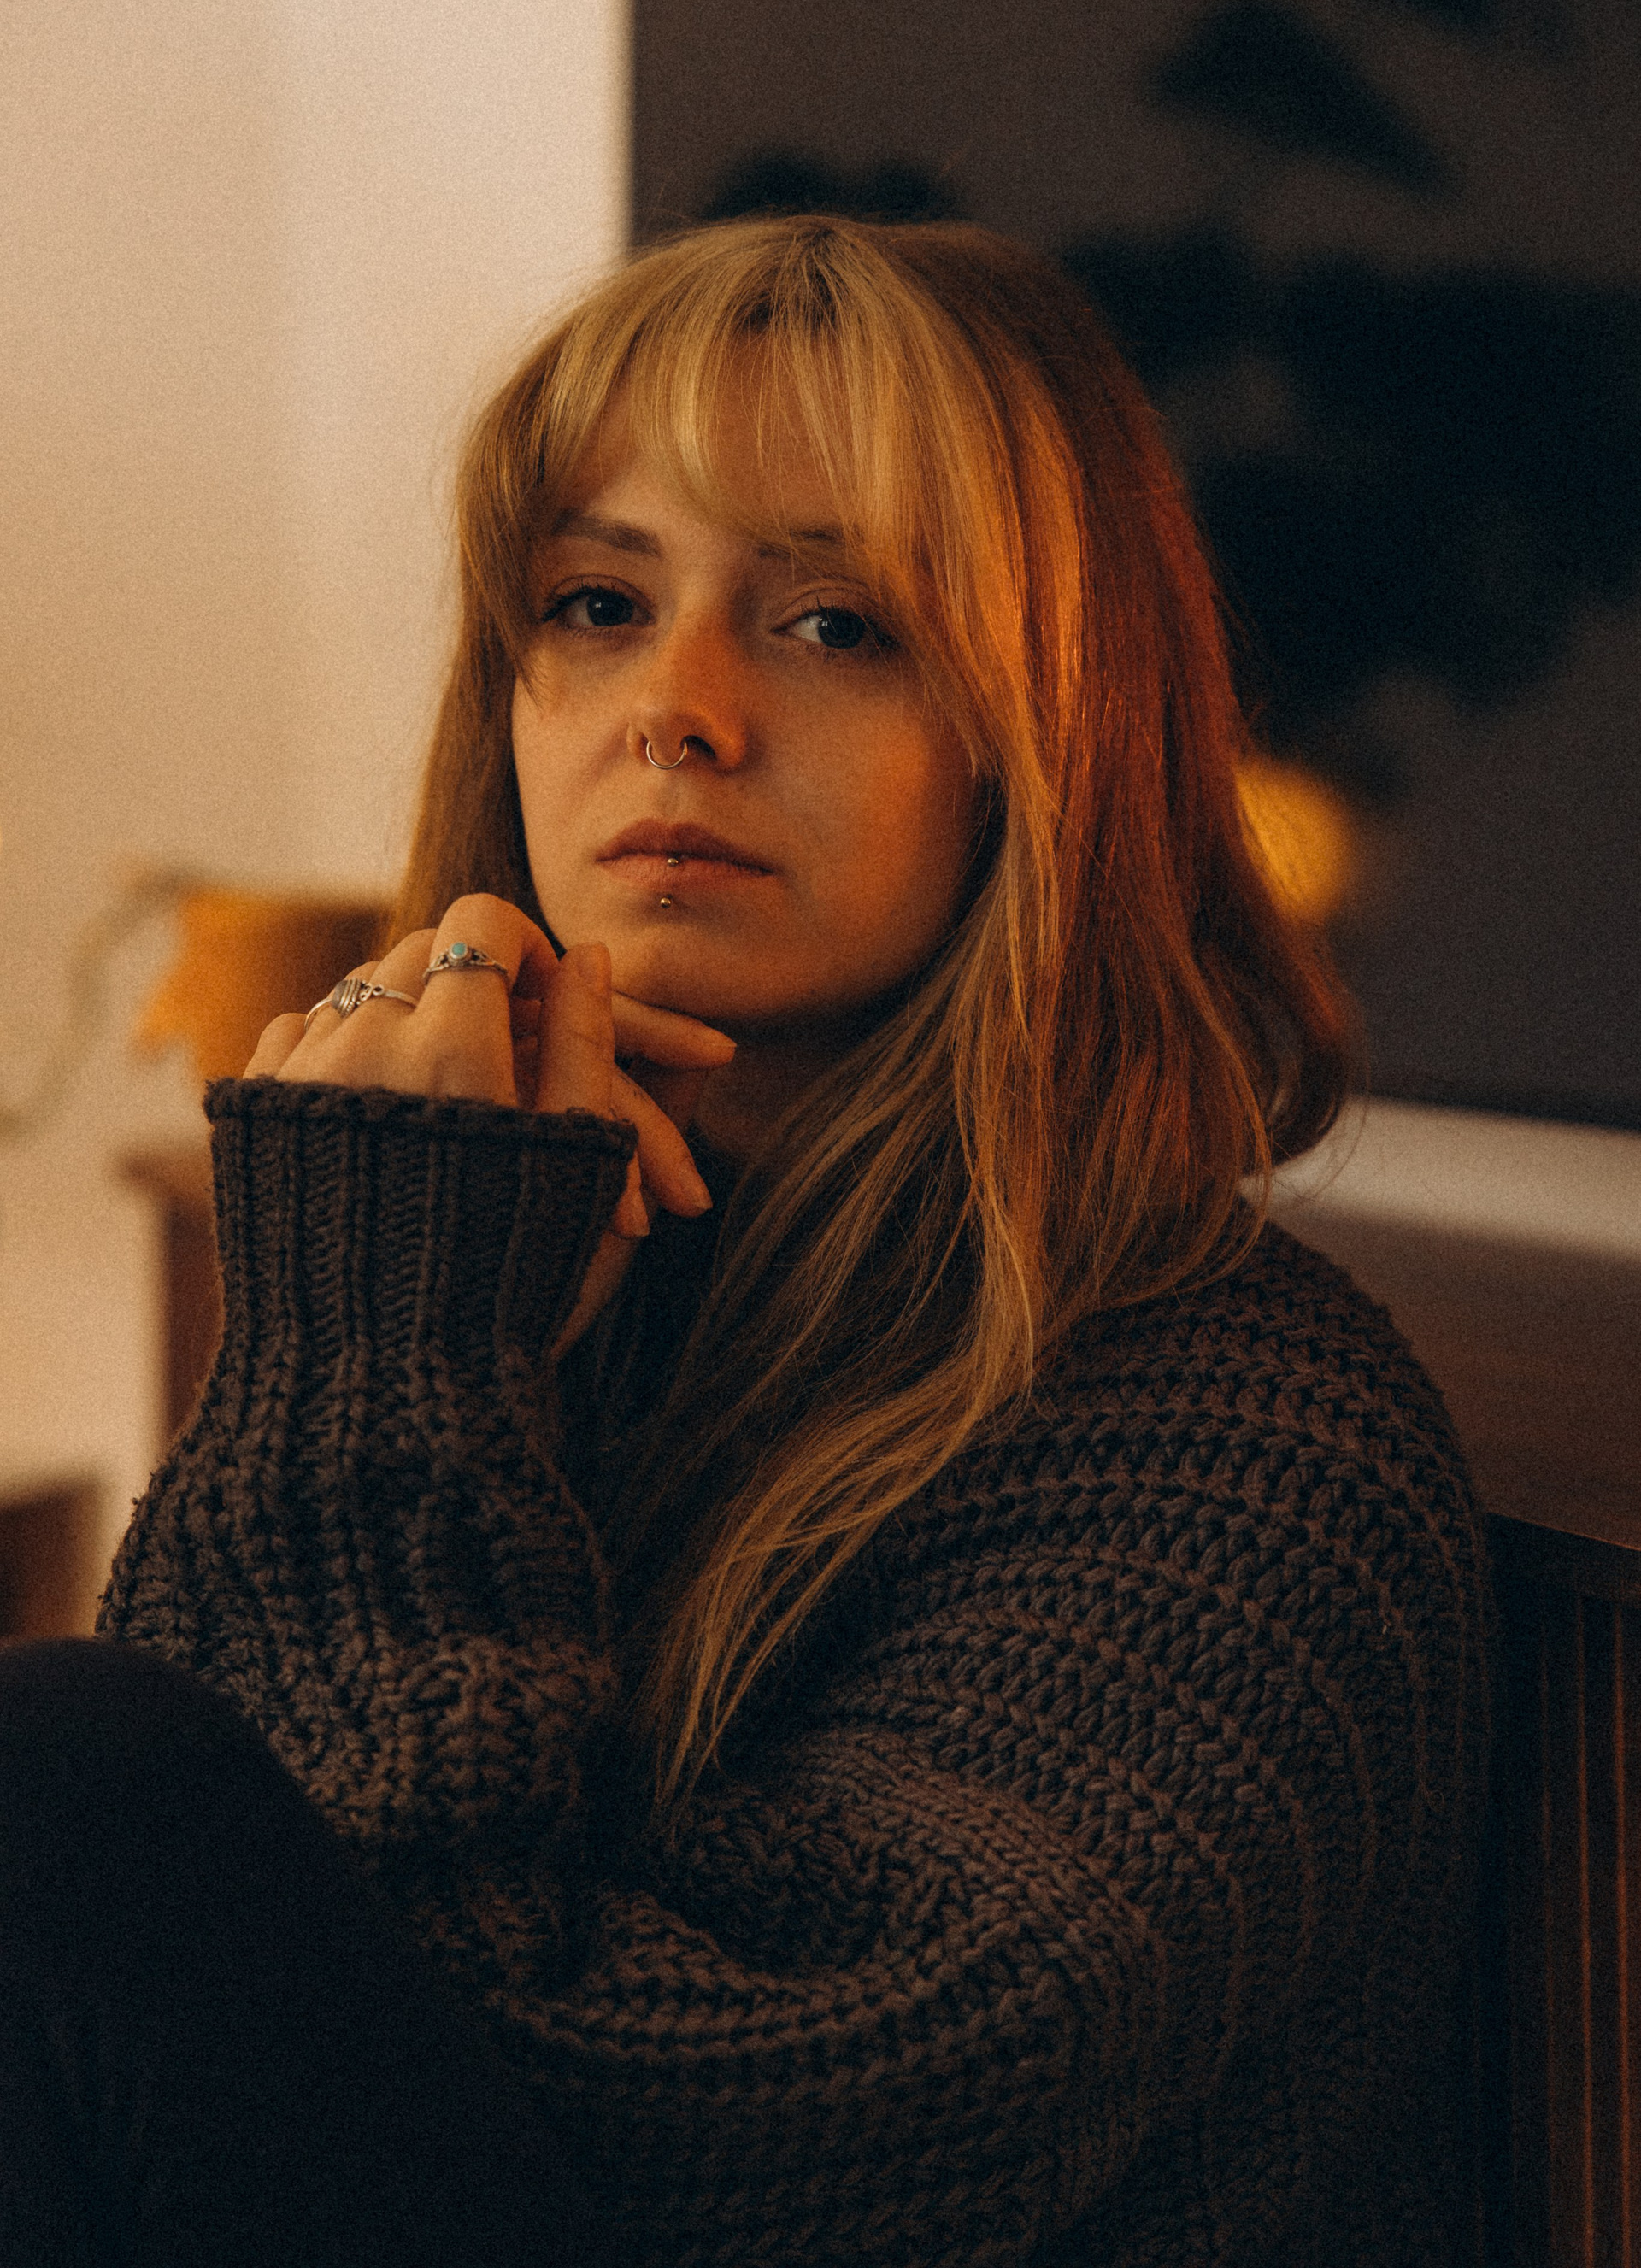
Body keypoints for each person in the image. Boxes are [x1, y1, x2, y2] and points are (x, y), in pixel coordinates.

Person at [0, 217, 1491, 2266]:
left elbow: (649, 2170)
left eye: (836, 624)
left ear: (1046, 738)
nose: (678, 710)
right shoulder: (527, 1280)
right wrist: (384, 1323)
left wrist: (384, 1354)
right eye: (599, 603)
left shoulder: (1245, 1444)